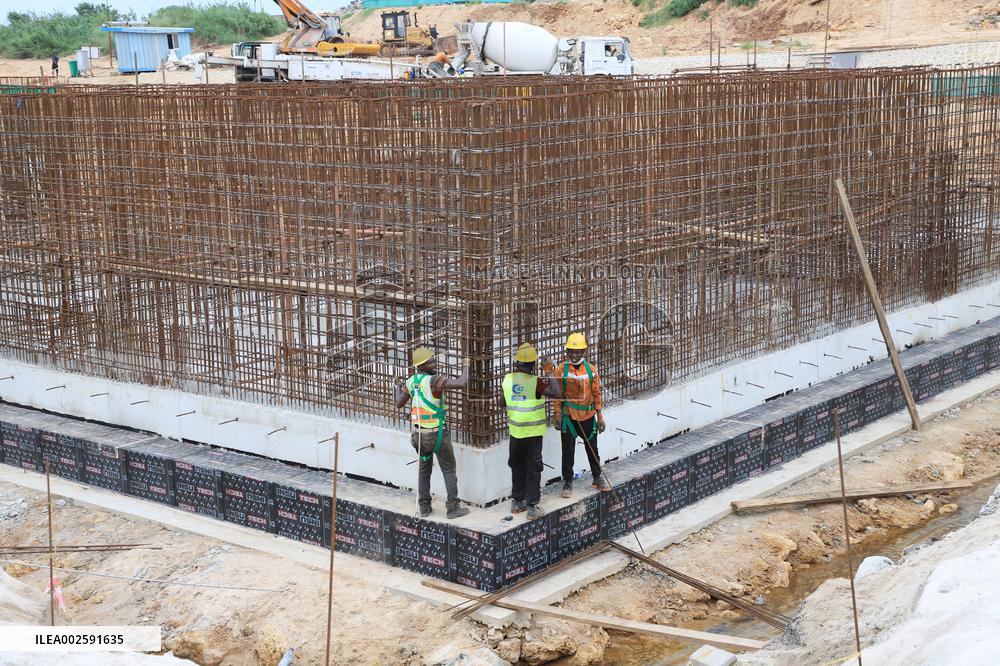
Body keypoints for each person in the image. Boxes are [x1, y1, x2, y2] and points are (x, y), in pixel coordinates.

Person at [394, 347, 471, 519]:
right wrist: (466, 365)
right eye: (431, 361)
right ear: (422, 365)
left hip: (419, 437)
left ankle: (424, 507)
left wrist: (397, 386)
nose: (434, 363)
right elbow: (461, 383)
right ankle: (452, 509)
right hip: (437, 436)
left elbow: (399, 402)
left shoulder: (411, 381)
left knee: (424, 470)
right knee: (449, 470)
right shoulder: (433, 380)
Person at [501, 343, 562, 520]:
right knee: (533, 469)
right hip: (533, 434)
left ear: (517, 362)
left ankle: (517, 502)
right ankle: (532, 507)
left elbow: (501, 403)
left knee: (517, 466)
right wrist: (549, 372)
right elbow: (557, 393)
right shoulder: (536, 382)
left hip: (515, 433)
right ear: (533, 364)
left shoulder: (507, 380)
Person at [552, 333, 610, 497]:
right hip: (569, 417)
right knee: (568, 451)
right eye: (571, 351)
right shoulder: (561, 370)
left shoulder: (591, 371)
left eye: (577, 352)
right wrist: (557, 413)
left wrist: (600, 417)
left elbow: (596, 394)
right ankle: (568, 482)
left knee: (592, 449)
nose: (574, 355)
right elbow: (557, 394)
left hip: (587, 416)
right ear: (567, 351)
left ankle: (597, 477)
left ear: (584, 351)